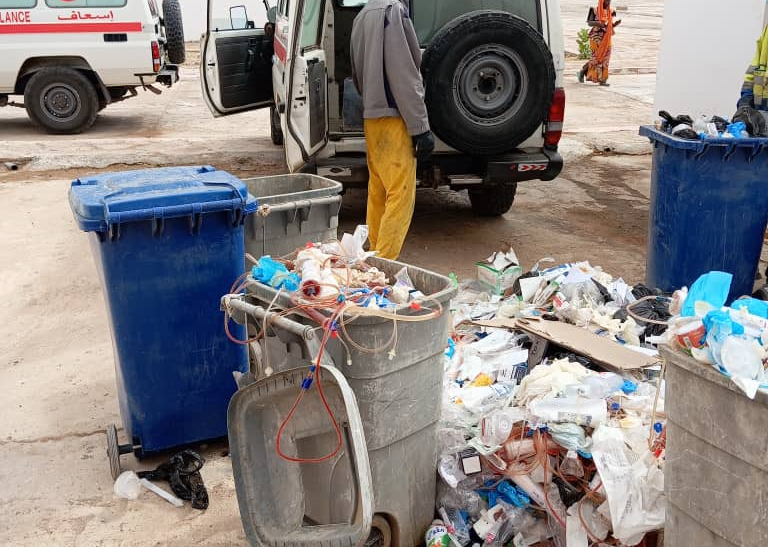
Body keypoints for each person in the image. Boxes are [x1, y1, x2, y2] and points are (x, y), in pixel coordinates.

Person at [350, 0, 434, 260]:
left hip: (372, 117)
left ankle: (373, 254)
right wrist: (420, 127)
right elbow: (405, 74)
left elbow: (355, 72)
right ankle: (384, 262)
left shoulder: (361, 16)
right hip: (395, 117)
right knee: (401, 193)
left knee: (378, 189)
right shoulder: (393, 12)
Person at [578, 0, 621, 86]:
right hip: (595, 37)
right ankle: (582, 72)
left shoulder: (611, 12)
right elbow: (589, 23)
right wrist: (599, 23)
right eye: (606, 1)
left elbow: (609, 25)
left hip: (606, 38)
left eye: (609, 1)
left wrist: (615, 24)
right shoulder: (594, 10)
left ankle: (603, 80)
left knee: (606, 59)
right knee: (596, 59)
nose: (608, 3)